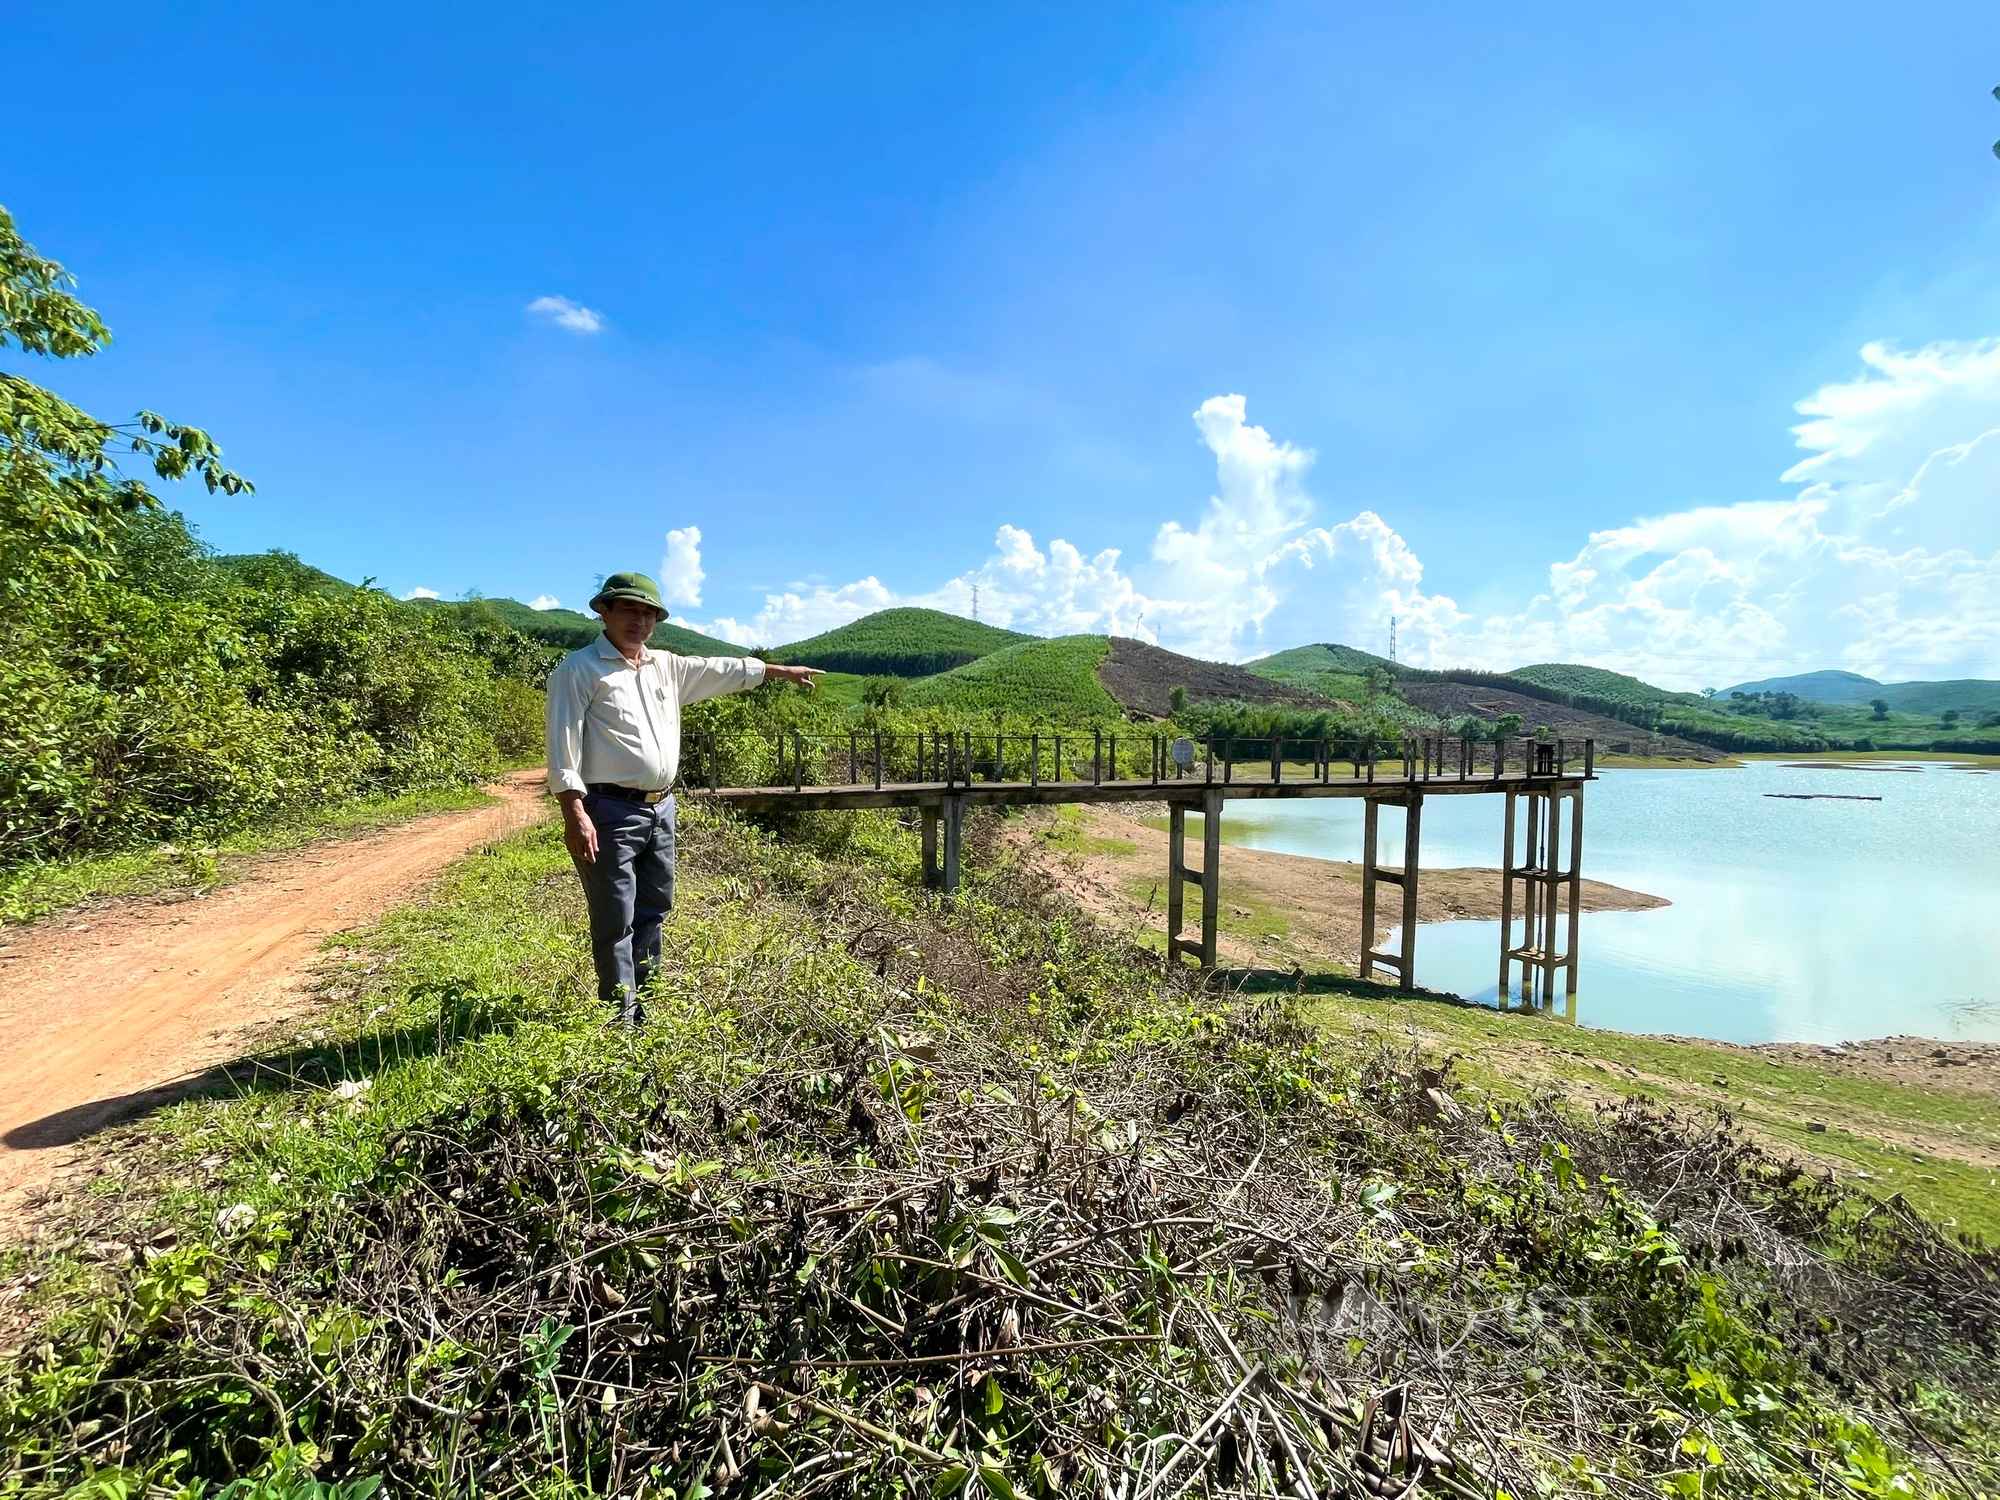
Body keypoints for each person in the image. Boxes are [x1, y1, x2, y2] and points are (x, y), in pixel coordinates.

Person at [545, 571, 821, 1022]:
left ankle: (647, 1005)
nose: (639, 620)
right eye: (630, 610)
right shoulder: (580, 670)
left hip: (661, 807)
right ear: (605, 612)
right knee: (616, 917)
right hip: (607, 809)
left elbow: (721, 669)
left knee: (655, 906)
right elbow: (563, 742)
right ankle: (621, 1020)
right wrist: (574, 812)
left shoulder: (665, 666)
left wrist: (779, 671)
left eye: (648, 613)